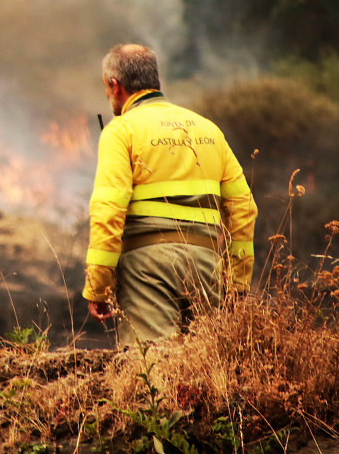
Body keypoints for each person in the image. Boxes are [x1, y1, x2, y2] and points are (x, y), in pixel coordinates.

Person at [84, 43, 257, 344]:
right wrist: (237, 284)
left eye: (106, 88)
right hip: (207, 268)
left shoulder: (121, 131)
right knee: (205, 361)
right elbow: (244, 207)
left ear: (114, 85)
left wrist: (98, 287)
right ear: (155, 80)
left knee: (152, 362)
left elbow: (108, 212)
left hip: (146, 270)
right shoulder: (208, 130)